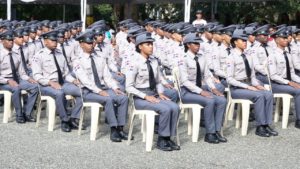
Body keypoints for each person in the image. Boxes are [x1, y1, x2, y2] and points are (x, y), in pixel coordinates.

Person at [126, 32, 180, 151]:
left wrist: (160, 93)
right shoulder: (133, 62)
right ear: (140, 46)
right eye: (148, 44)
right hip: (140, 98)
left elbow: (158, 81)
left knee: (175, 107)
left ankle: (168, 138)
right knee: (165, 109)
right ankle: (162, 139)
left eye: (151, 44)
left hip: (154, 94)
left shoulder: (154, 61)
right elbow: (128, 87)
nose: (151, 46)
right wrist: (145, 97)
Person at [73, 30, 130, 142]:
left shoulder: (99, 58)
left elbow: (107, 77)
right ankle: (113, 129)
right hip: (88, 91)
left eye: (92, 42)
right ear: (81, 44)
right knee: (108, 99)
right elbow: (85, 81)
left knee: (123, 97)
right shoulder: (77, 61)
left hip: (103, 88)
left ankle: (120, 128)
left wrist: (115, 88)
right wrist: (98, 91)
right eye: (88, 43)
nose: (91, 45)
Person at [227, 29, 278, 137]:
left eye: (246, 40)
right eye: (242, 40)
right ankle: (259, 127)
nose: (245, 42)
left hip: (249, 85)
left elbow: (253, 76)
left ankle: (266, 124)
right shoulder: (231, 58)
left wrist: (257, 85)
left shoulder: (249, 56)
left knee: (268, 93)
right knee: (259, 96)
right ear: (235, 42)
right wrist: (247, 87)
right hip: (237, 88)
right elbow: (230, 79)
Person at [178, 33, 227, 144]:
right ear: (188, 45)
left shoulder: (202, 57)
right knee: (210, 100)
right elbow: (184, 81)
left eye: (198, 43)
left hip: (199, 89)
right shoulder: (183, 59)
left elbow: (206, 76)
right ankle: (209, 133)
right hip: (187, 92)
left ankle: (217, 130)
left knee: (222, 100)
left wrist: (213, 88)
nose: (198, 45)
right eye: (195, 43)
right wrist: (201, 92)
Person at [31, 30, 83, 132]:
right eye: (52, 40)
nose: (55, 42)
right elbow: (37, 76)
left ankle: (73, 118)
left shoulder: (60, 54)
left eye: (56, 40)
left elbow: (66, 73)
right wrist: (50, 82)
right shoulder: (39, 55)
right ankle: (64, 120)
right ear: (45, 42)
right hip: (46, 85)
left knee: (82, 91)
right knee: (60, 93)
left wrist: (73, 81)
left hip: (62, 83)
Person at [0, 30, 39, 123]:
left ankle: (27, 113)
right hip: (3, 82)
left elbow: (22, 73)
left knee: (35, 87)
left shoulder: (16, 55)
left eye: (12, 40)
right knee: (16, 88)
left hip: (16, 80)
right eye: (8, 40)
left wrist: (29, 79)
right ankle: (19, 114)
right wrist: (7, 81)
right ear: (2, 41)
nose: (11, 42)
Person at [268, 27, 300, 129]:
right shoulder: (272, 55)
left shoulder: (288, 54)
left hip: (286, 82)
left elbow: (292, 73)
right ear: (277, 39)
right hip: (276, 84)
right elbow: (273, 76)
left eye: (287, 38)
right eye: (283, 38)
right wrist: (288, 82)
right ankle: (299, 120)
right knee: (298, 91)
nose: (286, 40)